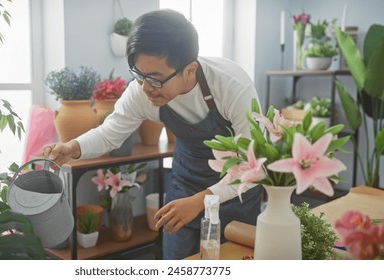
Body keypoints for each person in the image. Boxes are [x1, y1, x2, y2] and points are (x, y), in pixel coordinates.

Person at [42, 9, 262, 260]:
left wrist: (202, 201)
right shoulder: (143, 89)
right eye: (138, 74)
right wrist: (72, 147)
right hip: (186, 184)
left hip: (235, 192)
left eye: (156, 79)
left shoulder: (231, 85)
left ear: (190, 69)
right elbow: (110, 133)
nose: (146, 87)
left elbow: (251, 166)